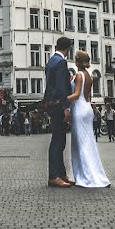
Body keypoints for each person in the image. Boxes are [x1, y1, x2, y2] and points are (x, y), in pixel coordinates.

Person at [68, 50, 111, 188]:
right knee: (88, 143)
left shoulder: (79, 75)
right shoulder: (89, 75)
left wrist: (60, 100)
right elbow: (87, 96)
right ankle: (94, 174)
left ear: (77, 61)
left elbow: (76, 95)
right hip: (86, 107)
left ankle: (86, 176)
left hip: (79, 109)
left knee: (80, 145)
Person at [45, 37, 74, 188]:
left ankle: (61, 173)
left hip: (51, 104)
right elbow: (62, 88)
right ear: (68, 49)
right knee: (58, 141)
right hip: (58, 106)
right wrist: (66, 108)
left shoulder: (51, 61)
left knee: (60, 140)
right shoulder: (61, 62)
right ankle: (54, 176)